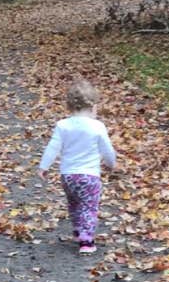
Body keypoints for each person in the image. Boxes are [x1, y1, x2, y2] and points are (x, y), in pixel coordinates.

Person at [38, 80, 117, 254]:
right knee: (88, 206)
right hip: (89, 177)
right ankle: (87, 240)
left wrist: (44, 166)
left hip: (67, 176)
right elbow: (107, 150)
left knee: (74, 204)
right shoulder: (97, 127)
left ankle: (77, 230)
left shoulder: (63, 125)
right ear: (93, 107)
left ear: (70, 107)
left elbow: (53, 147)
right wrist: (111, 164)